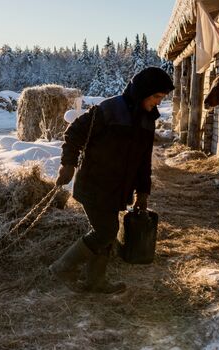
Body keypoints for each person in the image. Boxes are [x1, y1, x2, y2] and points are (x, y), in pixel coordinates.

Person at [49, 67, 174, 293]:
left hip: (118, 189)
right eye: (156, 97)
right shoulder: (109, 110)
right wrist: (68, 164)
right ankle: (62, 267)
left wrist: (143, 193)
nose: (158, 103)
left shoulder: (147, 121)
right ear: (143, 92)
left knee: (107, 230)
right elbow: (74, 133)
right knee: (106, 231)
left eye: (161, 99)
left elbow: (143, 161)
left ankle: (95, 281)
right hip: (94, 183)